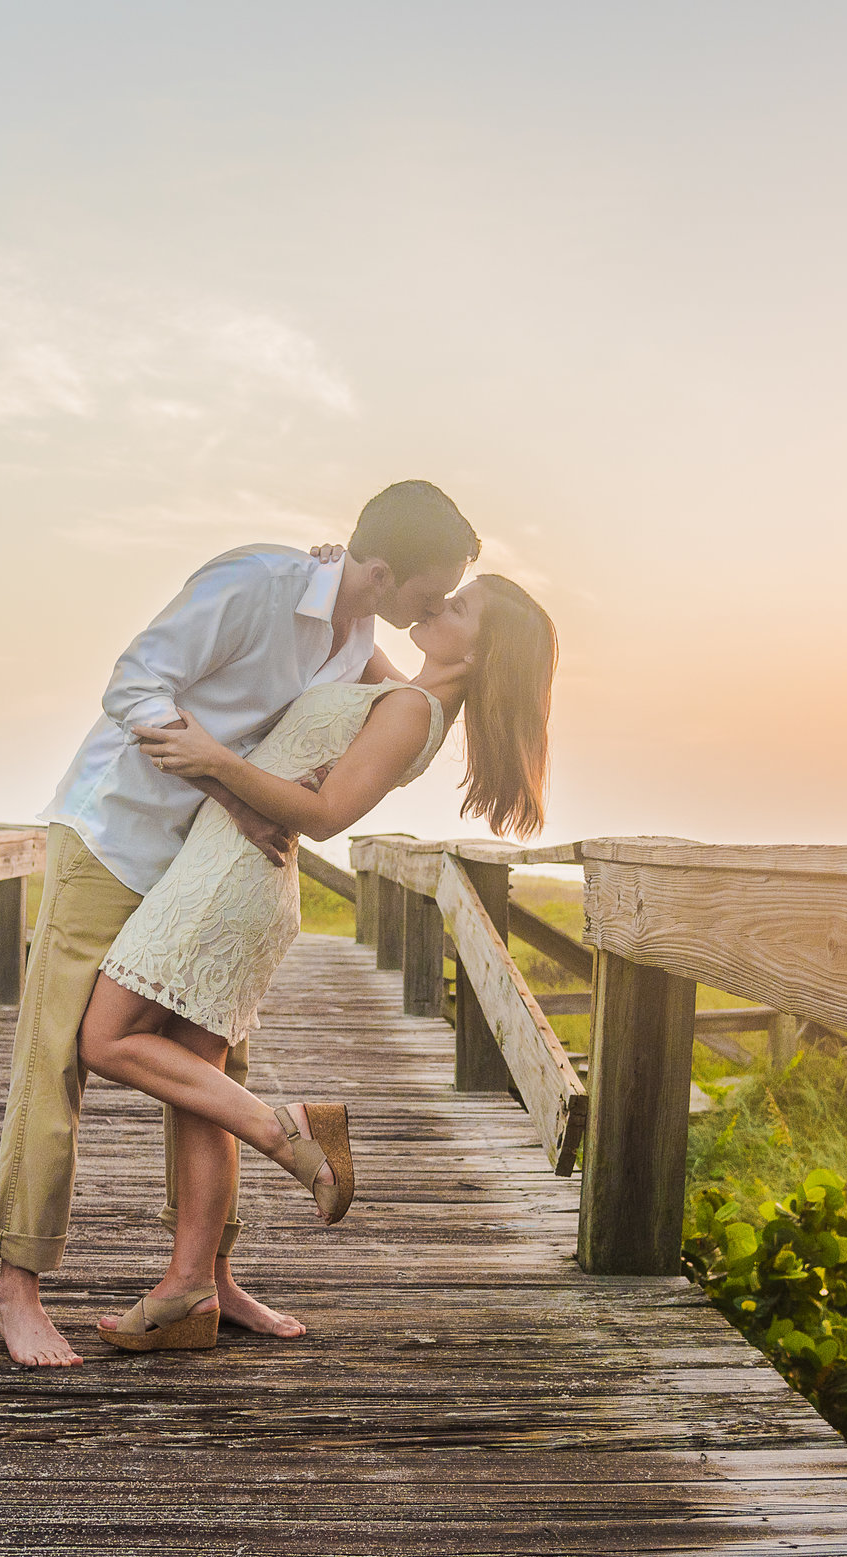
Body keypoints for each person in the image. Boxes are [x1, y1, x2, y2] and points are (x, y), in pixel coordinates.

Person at [0, 481, 480, 1369]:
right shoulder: (255, 583)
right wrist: (227, 788)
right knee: (59, 1054)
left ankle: (207, 1278)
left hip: (203, 864)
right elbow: (131, 683)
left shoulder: (363, 632)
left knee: (212, 1066)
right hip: (116, 835)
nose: (435, 607)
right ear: (380, 567)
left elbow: (408, 717)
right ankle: (17, 1289)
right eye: (430, 590)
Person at [79, 573, 558, 1351]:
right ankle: (191, 1290)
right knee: (199, 1090)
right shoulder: (413, 698)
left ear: (482, 651)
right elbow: (356, 635)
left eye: (460, 607)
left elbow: (329, 815)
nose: (441, 604)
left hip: (225, 879)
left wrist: (213, 758)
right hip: (232, 875)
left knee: (104, 1039)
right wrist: (347, 573)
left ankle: (288, 1130)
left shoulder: (412, 711)